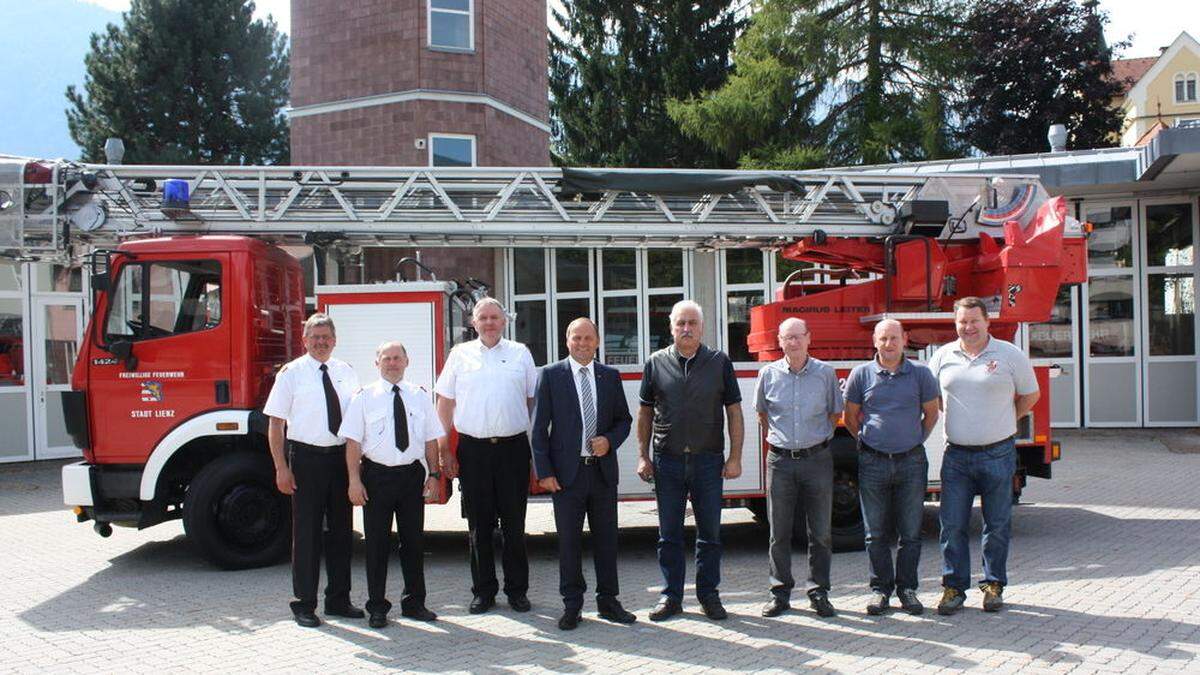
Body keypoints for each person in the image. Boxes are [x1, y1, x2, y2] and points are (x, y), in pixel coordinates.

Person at [927, 297, 1039, 615]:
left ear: (987, 322)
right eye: (962, 321)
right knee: (951, 525)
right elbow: (931, 396)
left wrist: (1006, 419)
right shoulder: (942, 356)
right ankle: (954, 588)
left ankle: (993, 586)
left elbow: (1031, 394)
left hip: (998, 452)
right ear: (955, 323)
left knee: (998, 524)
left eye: (974, 320)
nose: (968, 327)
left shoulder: (1009, 354)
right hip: (957, 456)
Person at [636, 299, 743, 622]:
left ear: (702, 327)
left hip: (708, 462)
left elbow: (734, 412)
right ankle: (671, 597)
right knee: (668, 535)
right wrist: (643, 456)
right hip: (666, 462)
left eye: (692, 323)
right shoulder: (655, 363)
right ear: (671, 328)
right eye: (680, 323)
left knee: (709, 534)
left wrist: (735, 457)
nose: (686, 329)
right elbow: (644, 413)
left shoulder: (719, 362)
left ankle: (709, 595)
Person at [531, 318, 636, 631]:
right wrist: (544, 472)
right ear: (567, 340)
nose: (582, 343)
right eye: (576, 338)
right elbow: (538, 430)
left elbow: (624, 421)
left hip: (601, 473)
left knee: (607, 541)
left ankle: (609, 601)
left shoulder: (609, 376)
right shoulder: (550, 376)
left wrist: (609, 441)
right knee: (569, 543)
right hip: (566, 475)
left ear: (598, 341)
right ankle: (572, 605)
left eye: (588, 338)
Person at [435, 297, 538, 614]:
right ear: (473, 323)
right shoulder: (459, 355)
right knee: (478, 526)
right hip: (474, 450)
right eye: (484, 318)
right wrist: (444, 449)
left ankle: (517, 591)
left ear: (504, 321)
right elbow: (445, 403)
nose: (490, 322)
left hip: (513, 449)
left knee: (514, 525)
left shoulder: (520, 354)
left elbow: (533, 401)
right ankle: (483, 591)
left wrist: (535, 451)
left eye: (495, 317)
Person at [264, 313, 362, 628]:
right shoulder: (291, 374)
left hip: (340, 459)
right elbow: (275, 424)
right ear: (305, 340)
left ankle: (339, 600)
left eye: (326, 338)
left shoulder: (346, 371)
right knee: (306, 535)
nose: (321, 343)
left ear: (334, 341)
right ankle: (304, 604)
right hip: (305, 459)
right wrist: (281, 467)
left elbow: (357, 420)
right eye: (315, 338)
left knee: (341, 534)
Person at [341, 341, 444, 628]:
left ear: (407, 361)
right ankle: (377, 607)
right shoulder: (363, 397)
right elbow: (352, 442)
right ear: (377, 364)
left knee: (414, 542)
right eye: (386, 358)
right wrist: (353, 480)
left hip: (411, 476)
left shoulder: (420, 396)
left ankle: (414, 603)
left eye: (397, 358)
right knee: (376, 545)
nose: (392, 363)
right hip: (376, 477)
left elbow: (430, 439)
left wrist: (434, 475)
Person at [843, 319, 941, 617]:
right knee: (875, 533)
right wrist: (867, 442)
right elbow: (850, 417)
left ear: (905, 339)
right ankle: (879, 591)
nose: (889, 344)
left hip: (911, 461)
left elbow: (931, 414)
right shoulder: (861, 374)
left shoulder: (921, 374)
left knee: (910, 532)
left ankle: (907, 589)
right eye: (883, 338)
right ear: (875, 341)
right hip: (872, 461)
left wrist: (913, 441)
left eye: (894, 338)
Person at [753, 317, 843, 619]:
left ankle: (819, 591)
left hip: (816, 459)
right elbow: (762, 415)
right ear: (779, 341)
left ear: (808, 338)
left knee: (820, 532)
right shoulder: (767, 374)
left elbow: (834, 414)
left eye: (797, 337)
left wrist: (810, 440)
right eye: (786, 337)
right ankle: (779, 593)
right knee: (778, 532)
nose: (792, 342)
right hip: (779, 461)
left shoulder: (826, 374)